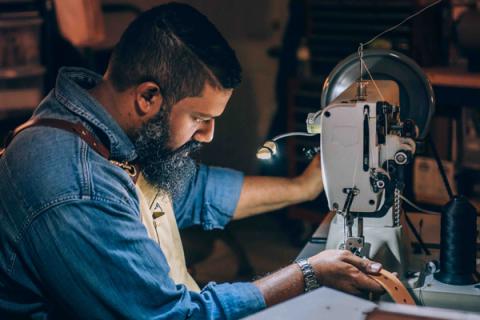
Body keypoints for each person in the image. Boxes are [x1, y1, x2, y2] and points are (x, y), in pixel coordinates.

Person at [0, 3, 384, 319]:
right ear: (148, 97)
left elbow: (197, 193)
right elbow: (172, 316)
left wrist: (305, 186)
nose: (208, 134)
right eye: (200, 118)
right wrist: (307, 274)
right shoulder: (76, 187)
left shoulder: (101, 125)